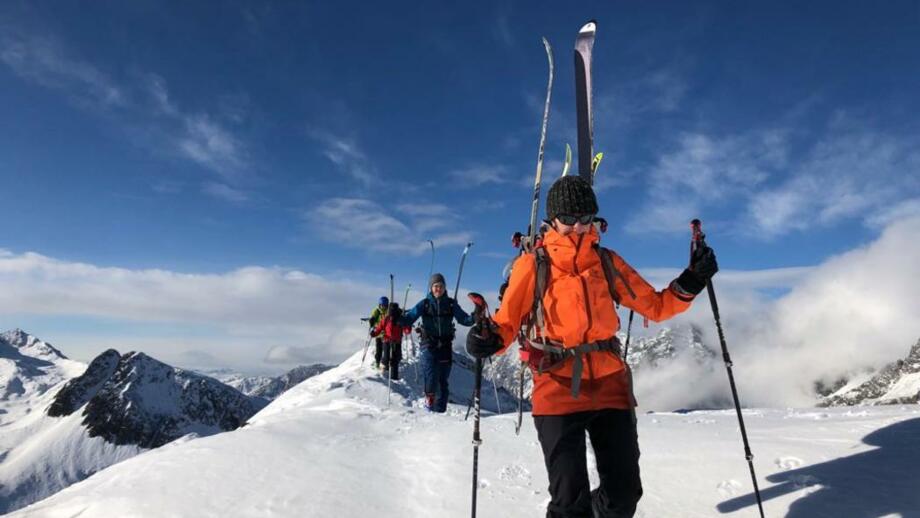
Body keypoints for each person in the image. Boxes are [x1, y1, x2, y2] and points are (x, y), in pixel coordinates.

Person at [467, 175, 718, 518]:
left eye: (585, 218)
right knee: (570, 502)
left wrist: (693, 279)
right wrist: (487, 339)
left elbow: (656, 306)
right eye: (568, 220)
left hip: (610, 384)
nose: (577, 228)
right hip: (555, 387)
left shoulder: (606, 262)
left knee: (624, 495)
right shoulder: (534, 264)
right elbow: (507, 323)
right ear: (552, 221)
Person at [400, 273, 474, 412]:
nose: (438, 289)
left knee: (443, 381)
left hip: (445, 345)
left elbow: (465, 320)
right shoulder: (425, 304)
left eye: (440, 286)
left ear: (445, 288)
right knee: (431, 374)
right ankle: (429, 399)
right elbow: (409, 318)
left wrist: (476, 315)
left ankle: (440, 413)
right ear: (431, 288)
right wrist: (397, 316)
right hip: (429, 344)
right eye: (435, 286)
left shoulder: (451, 304)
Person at [371, 302, 410, 380]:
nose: (391, 314)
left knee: (395, 360)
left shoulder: (400, 319)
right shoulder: (386, 319)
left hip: (396, 342)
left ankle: (394, 378)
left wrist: (406, 325)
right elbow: (380, 327)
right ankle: (384, 369)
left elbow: (407, 330)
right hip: (387, 340)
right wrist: (374, 333)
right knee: (386, 357)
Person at [367, 296, 389, 369]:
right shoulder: (377, 311)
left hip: (386, 334)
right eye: (382, 305)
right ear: (379, 305)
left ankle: (385, 364)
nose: (383, 307)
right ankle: (377, 363)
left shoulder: (388, 312)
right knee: (379, 349)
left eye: (385, 305)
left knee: (386, 349)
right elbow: (373, 317)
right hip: (378, 333)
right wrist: (372, 321)